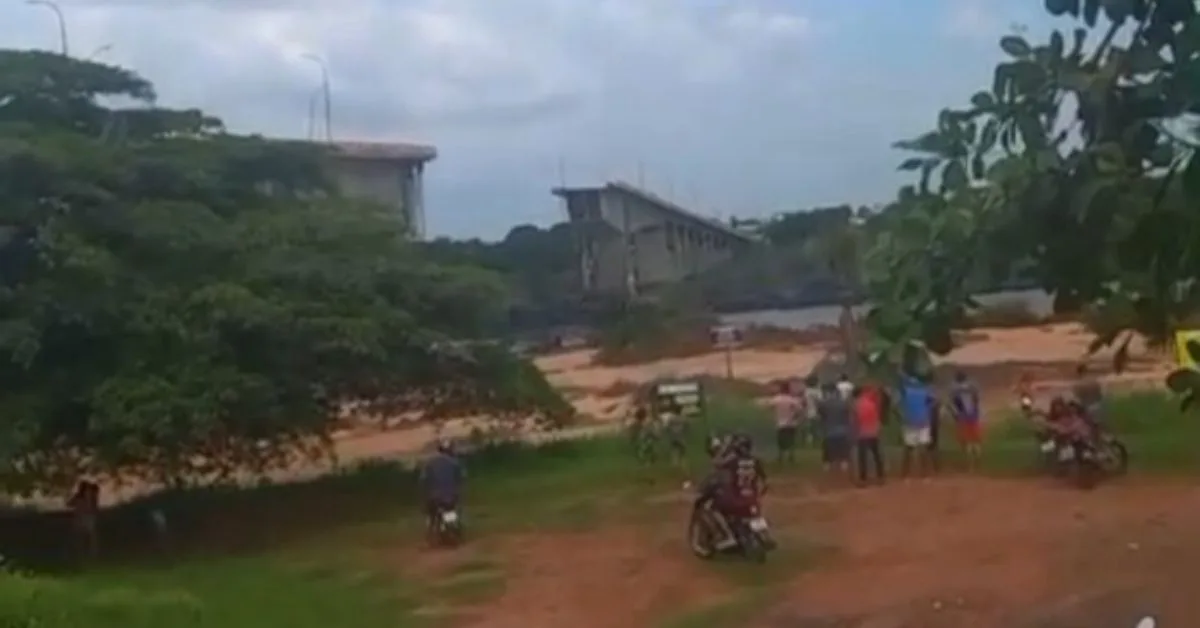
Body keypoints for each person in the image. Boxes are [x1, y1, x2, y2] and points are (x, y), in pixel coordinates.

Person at [419, 439, 466, 539]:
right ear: (451, 450)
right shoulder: (455, 463)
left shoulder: (430, 463)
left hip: (434, 497)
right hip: (451, 496)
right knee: (454, 510)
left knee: (431, 515)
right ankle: (454, 529)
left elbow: (423, 480)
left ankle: (430, 534)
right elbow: (461, 478)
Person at [898, 372, 934, 479]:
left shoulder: (908, 392)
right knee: (921, 449)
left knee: (910, 449)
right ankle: (923, 474)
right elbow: (934, 401)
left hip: (912, 422)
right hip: (921, 422)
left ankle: (907, 475)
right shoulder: (924, 391)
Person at [818, 382, 853, 478]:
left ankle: (827, 467)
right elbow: (848, 415)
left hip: (829, 430)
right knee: (843, 450)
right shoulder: (843, 402)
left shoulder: (824, 403)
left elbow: (821, 415)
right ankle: (843, 466)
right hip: (842, 430)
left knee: (828, 450)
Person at [950, 370, 983, 471]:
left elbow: (952, 405)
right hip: (974, 416)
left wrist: (955, 415)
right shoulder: (973, 387)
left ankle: (970, 466)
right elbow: (977, 400)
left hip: (963, 417)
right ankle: (977, 463)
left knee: (967, 442)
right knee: (975, 442)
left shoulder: (955, 389)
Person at [853, 385, 885, 486]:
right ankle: (880, 476)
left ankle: (863, 478)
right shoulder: (871, 401)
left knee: (862, 456)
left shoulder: (857, 404)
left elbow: (856, 419)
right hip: (874, 431)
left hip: (863, 432)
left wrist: (855, 431)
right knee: (876, 455)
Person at [67, 480, 100, 560]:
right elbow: (70, 504)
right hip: (85, 518)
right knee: (86, 537)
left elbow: (69, 504)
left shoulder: (84, 496)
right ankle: (88, 553)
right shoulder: (86, 496)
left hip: (84, 518)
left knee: (85, 537)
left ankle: (87, 553)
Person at [770, 381, 800, 464]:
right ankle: (791, 456)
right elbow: (799, 411)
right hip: (791, 423)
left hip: (780, 423)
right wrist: (793, 417)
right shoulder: (793, 400)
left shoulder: (776, 399)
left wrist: (774, 415)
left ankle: (781, 457)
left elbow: (770, 407)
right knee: (791, 440)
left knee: (781, 441)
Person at [801, 375, 823, 447]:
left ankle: (809, 442)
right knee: (817, 428)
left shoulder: (806, 391)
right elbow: (820, 402)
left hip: (808, 411)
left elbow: (803, 402)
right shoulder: (818, 391)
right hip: (817, 412)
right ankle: (818, 441)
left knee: (809, 428)